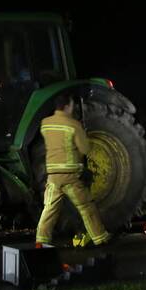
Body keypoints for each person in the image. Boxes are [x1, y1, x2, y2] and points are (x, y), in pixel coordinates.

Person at [35, 94, 111, 247]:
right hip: (70, 176)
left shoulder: (45, 123)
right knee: (86, 206)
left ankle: (41, 241)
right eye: (72, 105)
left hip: (52, 176)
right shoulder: (73, 125)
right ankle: (100, 238)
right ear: (68, 106)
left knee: (49, 209)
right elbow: (85, 148)